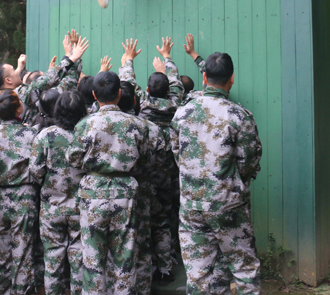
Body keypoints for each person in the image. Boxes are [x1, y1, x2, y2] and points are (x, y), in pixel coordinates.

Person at [171, 52, 263, 294]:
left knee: (199, 275)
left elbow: (177, 153)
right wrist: (232, 184)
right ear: (232, 78)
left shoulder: (182, 113)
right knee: (244, 269)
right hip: (228, 204)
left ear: (204, 78)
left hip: (191, 205)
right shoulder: (239, 116)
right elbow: (249, 162)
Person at [66, 71, 151, 295]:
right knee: (125, 258)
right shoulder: (138, 124)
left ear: (94, 95)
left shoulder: (85, 124)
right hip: (126, 193)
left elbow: (73, 158)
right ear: (119, 93)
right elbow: (146, 158)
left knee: (93, 259)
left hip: (93, 194)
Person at [116, 38, 176, 289]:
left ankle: (143, 268)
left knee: (142, 221)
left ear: (147, 91)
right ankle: (166, 267)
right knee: (164, 219)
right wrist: (167, 61)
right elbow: (175, 84)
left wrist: (128, 60)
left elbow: (128, 86)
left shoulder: (143, 105)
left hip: (144, 175)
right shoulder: (175, 102)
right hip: (167, 172)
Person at [30, 90, 88, 295]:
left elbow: (35, 171)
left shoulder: (45, 136)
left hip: (52, 206)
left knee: (53, 259)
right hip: (81, 206)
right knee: (79, 258)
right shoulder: (87, 134)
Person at [0, 90, 40, 295]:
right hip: (24, 195)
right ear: (18, 109)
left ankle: (0, 289)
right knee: (22, 250)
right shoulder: (31, 135)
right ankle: (21, 290)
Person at [0, 33, 88, 124]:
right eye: (14, 70)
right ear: (8, 80)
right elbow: (44, 81)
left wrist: (19, 69)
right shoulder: (17, 95)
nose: (17, 71)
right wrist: (72, 58)